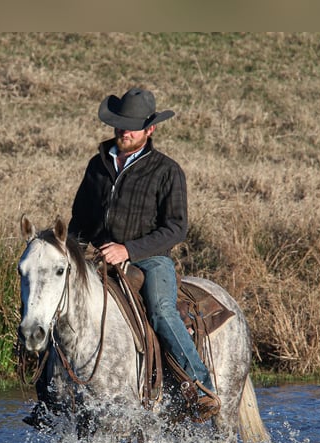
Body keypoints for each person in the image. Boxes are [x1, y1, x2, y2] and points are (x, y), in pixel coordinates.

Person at [67, 87, 220, 422]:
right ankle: (52, 395)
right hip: (100, 259)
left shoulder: (167, 171)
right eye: (121, 124)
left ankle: (200, 385)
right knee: (60, 308)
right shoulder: (97, 166)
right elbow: (80, 219)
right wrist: (71, 256)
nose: (124, 130)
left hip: (151, 259)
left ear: (150, 129)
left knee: (163, 311)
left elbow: (176, 228)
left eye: (133, 125)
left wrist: (128, 249)